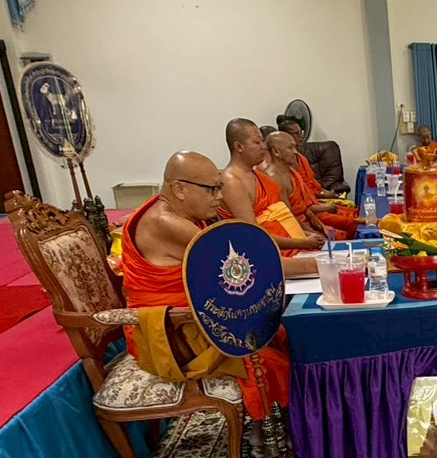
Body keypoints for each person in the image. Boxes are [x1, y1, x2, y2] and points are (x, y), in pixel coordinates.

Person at [122, 152, 313, 423]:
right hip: (169, 332)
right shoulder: (166, 223)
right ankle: (274, 427)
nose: (220, 197)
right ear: (179, 189)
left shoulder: (183, 215)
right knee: (267, 356)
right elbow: (251, 267)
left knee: (284, 331)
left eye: (220, 187)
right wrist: (321, 266)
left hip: (191, 318)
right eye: (212, 189)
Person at [218, 118, 323, 252]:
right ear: (239, 147)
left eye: (262, 141)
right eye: (257, 142)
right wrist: (303, 242)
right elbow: (254, 234)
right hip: (269, 252)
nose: (264, 146)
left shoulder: (258, 176)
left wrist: (308, 235)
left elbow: (283, 216)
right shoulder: (232, 182)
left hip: (294, 244)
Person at [277, 118, 349, 198]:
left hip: (312, 198)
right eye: (296, 133)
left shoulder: (301, 159)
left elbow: (312, 184)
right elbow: (299, 191)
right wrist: (326, 195)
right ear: (286, 135)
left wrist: (329, 194)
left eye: (301, 132)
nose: (301, 136)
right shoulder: (282, 162)